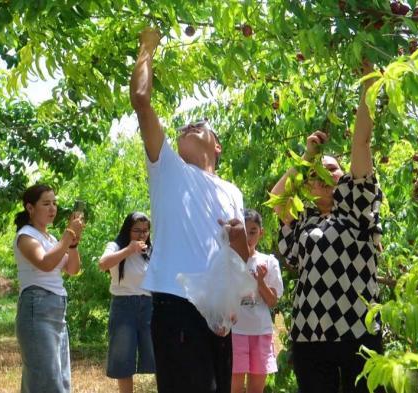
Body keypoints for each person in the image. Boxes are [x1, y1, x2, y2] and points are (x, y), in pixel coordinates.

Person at [130, 27, 250, 393]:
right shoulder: (168, 169)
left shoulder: (232, 191)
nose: (191, 126)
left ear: (218, 146)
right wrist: (146, 48)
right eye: (186, 125)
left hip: (217, 316)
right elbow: (140, 99)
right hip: (177, 304)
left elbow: (241, 257)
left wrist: (240, 238)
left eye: (201, 125)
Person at [272, 61, 383, 393]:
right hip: (309, 334)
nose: (321, 175)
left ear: (345, 177)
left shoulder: (356, 207)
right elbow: (276, 201)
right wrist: (306, 157)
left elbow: (361, 144)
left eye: (330, 169)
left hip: (358, 332)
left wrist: (368, 84)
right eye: (313, 174)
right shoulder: (304, 219)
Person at [13, 184, 84, 393]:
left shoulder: (51, 239)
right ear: (30, 208)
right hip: (37, 308)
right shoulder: (26, 236)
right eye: (46, 203)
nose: (52, 208)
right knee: (48, 383)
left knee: (58, 380)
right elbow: (44, 262)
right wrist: (67, 236)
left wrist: (72, 244)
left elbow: (72, 269)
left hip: (56, 309)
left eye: (54, 203)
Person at [98, 212, 156, 393]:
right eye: (136, 230)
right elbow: (103, 264)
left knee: (158, 356)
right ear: (127, 230)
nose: (141, 235)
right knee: (123, 359)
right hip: (124, 306)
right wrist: (129, 250)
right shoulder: (115, 246)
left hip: (149, 306)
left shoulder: (151, 250)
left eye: (145, 231)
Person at [231, 209, 284, 393]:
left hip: (260, 332)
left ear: (261, 232)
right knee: (234, 386)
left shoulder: (269, 262)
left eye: (253, 231)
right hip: (235, 331)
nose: (248, 237)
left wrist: (260, 282)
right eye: (244, 232)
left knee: (256, 389)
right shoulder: (229, 262)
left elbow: (272, 301)